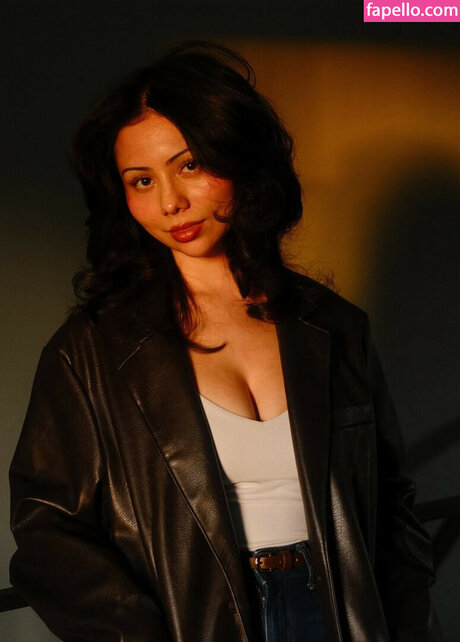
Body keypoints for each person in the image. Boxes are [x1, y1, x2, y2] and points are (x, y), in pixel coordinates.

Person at [9, 42, 442, 642]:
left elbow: (391, 502)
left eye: (189, 165)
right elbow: (47, 527)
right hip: (198, 624)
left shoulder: (335, 327)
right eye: (142, 181)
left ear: (238, 157)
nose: (170, 202)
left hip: (344, 618)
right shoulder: (91, 351)